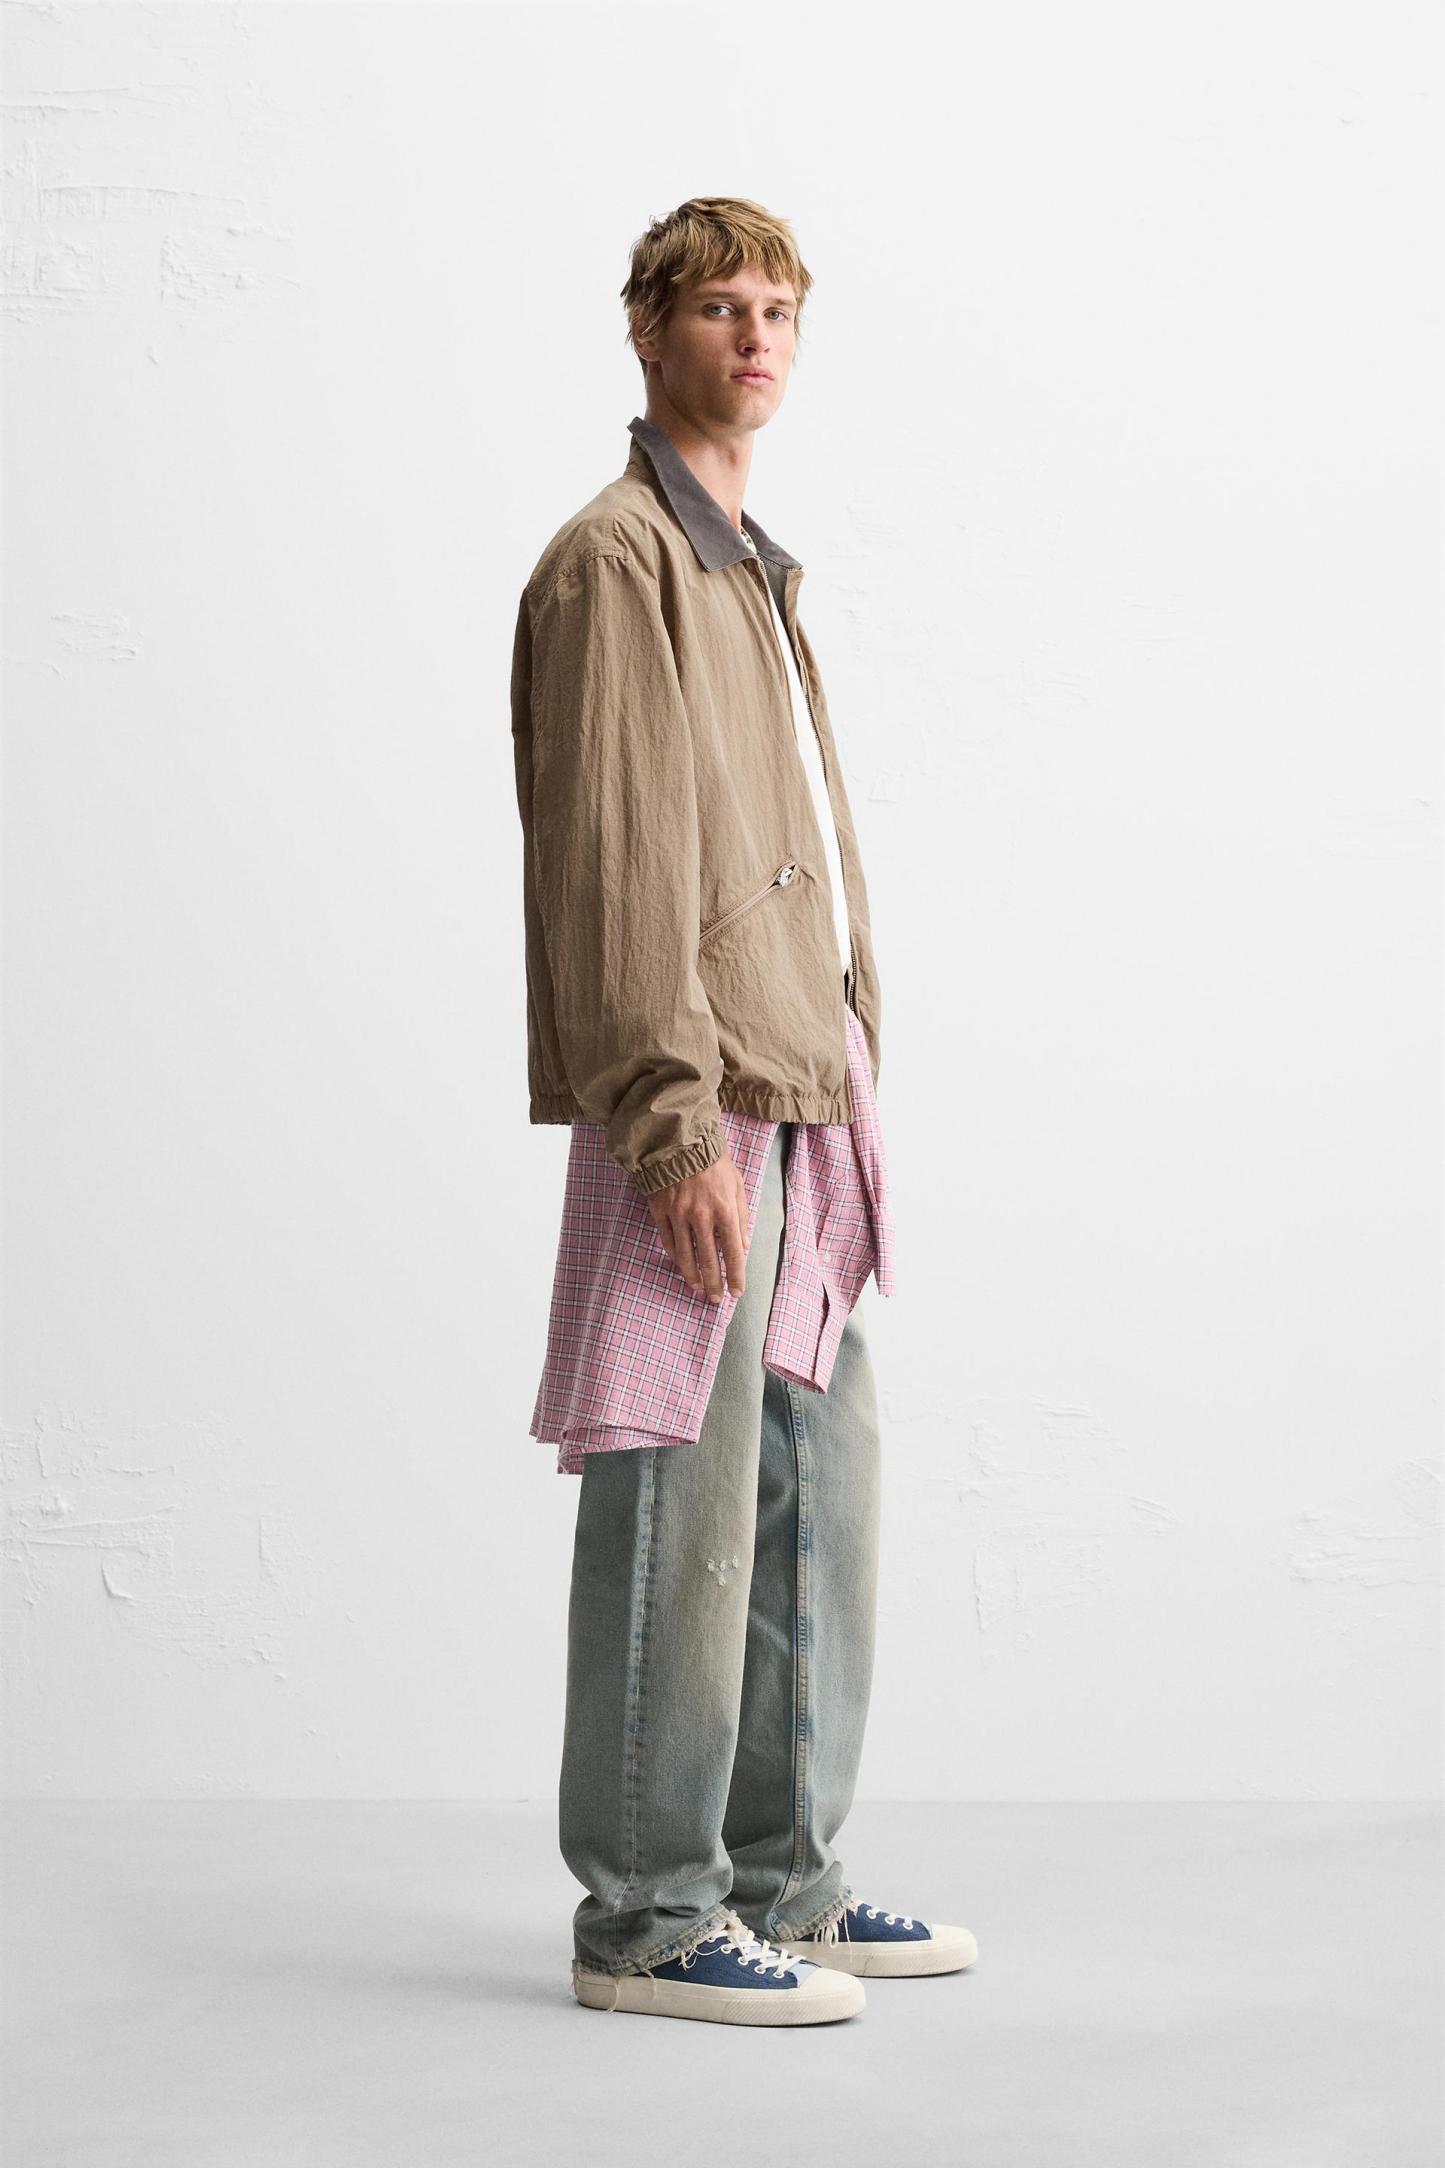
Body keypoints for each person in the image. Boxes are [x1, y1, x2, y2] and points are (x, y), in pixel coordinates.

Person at [509, 196, 977, 2025]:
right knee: (677, 1501)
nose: (756, 337)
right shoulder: (616, 562)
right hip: (697, 1099)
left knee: (809, 1495)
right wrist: (667, 1122)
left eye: (778, 307)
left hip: (799, 1080)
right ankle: (644, 1915)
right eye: (718, 306)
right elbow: (616, 866)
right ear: (648, 331)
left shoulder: (749, 569)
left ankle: (783, 1882)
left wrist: (840, 1057)